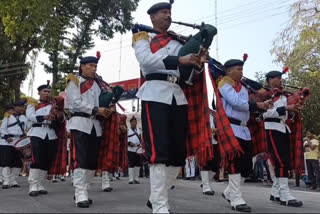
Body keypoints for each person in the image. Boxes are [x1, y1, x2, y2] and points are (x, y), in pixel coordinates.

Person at [132, 1, 211, 213]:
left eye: (170, 12)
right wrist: (180, 59)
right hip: (154, 93)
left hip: (178, 96)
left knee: (178, 155)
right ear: (152, 17)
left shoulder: (178, 41)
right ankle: (160, 206)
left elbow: (187, 78)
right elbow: (147, 62)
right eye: (163, 12)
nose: (168, 15)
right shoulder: (142, 37)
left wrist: (198, 63)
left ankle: (155, 197)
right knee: (159, 152)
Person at [218, 58, 270, 212]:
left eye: (242, 69)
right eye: (238, 69)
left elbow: (248, 106)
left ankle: (228, 192)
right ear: (228, 71)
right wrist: (257, 105)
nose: (241, 72)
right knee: (235, 164)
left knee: (247, 166)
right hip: (231, 128)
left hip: (244, 130)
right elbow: (236, 103)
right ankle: (236, 198)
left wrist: (264, 105)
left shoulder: (243, 87)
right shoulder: (224, 84)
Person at [65, 55, 113, 208]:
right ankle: (80, 194)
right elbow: (76, 102)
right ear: (82, 66)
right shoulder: (74, 81)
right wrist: (96, 109)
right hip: (80, 123)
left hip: (95, 125)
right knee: (81, 160)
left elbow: (101, 103)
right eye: (91, 65)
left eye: (95, 66)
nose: (94, 69)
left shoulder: (98, 85)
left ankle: (84, 191)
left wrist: (109, 105)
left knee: (92, 162)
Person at [263, 70, 303, 207]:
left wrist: (295, 107)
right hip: (272, 129)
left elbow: (287, 114)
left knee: (284, 161)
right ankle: (284, 195)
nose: (281, 80)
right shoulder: (265, 94)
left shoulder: (285, 95)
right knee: (280, 162)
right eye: (277, 78)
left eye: (281, 78)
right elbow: (264, 113)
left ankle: (275, 192)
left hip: (283, 128)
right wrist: (286, 108)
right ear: (270, 80)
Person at [26, 82, 63, 197]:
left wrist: (59, 116)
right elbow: (30, 116)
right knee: (37, 159)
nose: (47, 94)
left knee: (47, 160)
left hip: (51, 134)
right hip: (37, 133)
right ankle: (33, 185)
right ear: (39, 93)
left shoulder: (55, 104)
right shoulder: (33, 103)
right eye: (45, 91)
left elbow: (62, 119)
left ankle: (40, 184)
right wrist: (44, 117)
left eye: (48, 92)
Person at [0, 100, 29, 189]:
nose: (22, 108)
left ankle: (13, 181)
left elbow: (27, 128)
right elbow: (2, 128)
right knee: (6, 162)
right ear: (15, 107)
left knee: (17, 163)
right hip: (7, 141)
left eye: (23, 107)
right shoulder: (8, 116)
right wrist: (7, 136)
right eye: (20, 107)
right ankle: (6, 181)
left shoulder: (24, 117)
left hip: (19, 142)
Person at [127, 116, 142, 184]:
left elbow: (140, 139)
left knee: (138, 164)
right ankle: (131, 179)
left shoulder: (138, 130)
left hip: (138, 149)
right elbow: (125, 139)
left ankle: (136, 178)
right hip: (130, 149)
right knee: (131, 164)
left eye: (135, 122)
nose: (134, 123)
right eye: (132, 122)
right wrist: (129, 143)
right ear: (130, 123)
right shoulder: (128, 130)